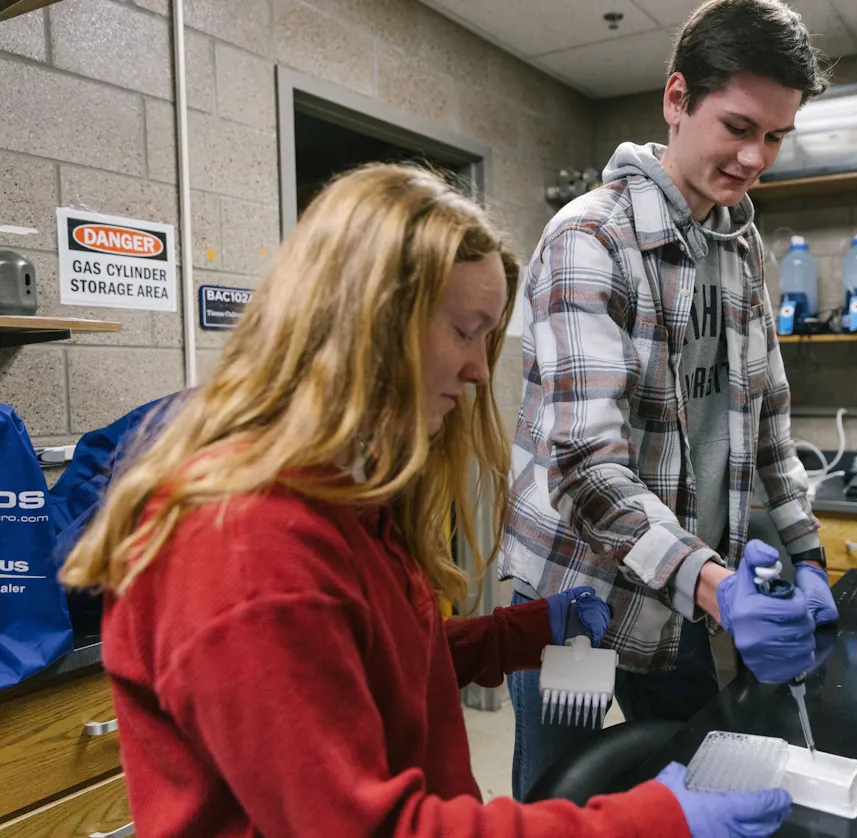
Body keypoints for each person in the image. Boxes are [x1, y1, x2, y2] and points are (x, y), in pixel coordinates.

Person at [58, 164, 792, 837]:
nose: (479, 370)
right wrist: (652, 822)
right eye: (465, 332)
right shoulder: (244, 545)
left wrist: (521, 632)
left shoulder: (343, 498)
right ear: (368, 321)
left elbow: (370, 659)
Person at [500, 0, 839, 799]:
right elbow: (586, 467)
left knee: (700, 781)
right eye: (739, 126)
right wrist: (719, 587)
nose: (756, 156)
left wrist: (810, 557)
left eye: (776, 137)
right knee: (559, 804)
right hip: (573, 605)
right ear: (677, 99)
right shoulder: (591, 240)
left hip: (683, 592)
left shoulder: (742, 245)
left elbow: (770, 428)